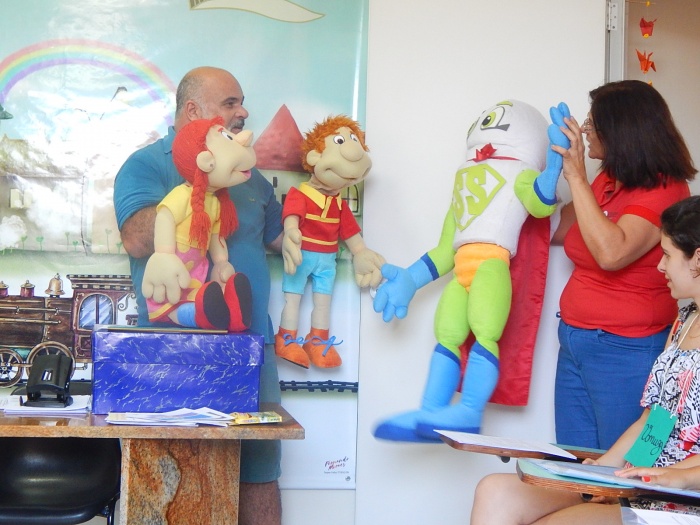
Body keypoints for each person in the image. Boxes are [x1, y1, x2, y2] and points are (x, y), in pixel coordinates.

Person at [113, 66, 284, 525]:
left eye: (241, 102)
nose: (243, 112)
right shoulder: (146, 164)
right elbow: (136, 239)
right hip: (172, 349)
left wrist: (326, 205)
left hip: (251, 345)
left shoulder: (249, 175)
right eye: (230, 103)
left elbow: (281, 241)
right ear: (193, 111)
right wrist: (199, 182)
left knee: (260, 470)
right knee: (166, 472)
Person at [470, 195, 700, 524]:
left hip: (680, 499)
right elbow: (654, 422)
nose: (660, 266)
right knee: (495, 491)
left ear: (697, 259)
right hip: (642, 484)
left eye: (667, 255)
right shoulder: (684, 320)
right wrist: (605, 470)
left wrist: (674, 478)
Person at [549, 79, 696, 450]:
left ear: (620, 129)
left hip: (625, 350)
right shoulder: (609, 178)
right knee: (574, 460)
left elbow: (611, 253)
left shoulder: (665, 188)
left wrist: (575, 175)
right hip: (575, 340)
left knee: (624, 461)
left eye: (592, 123)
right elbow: (560, 230)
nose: (585, 130)